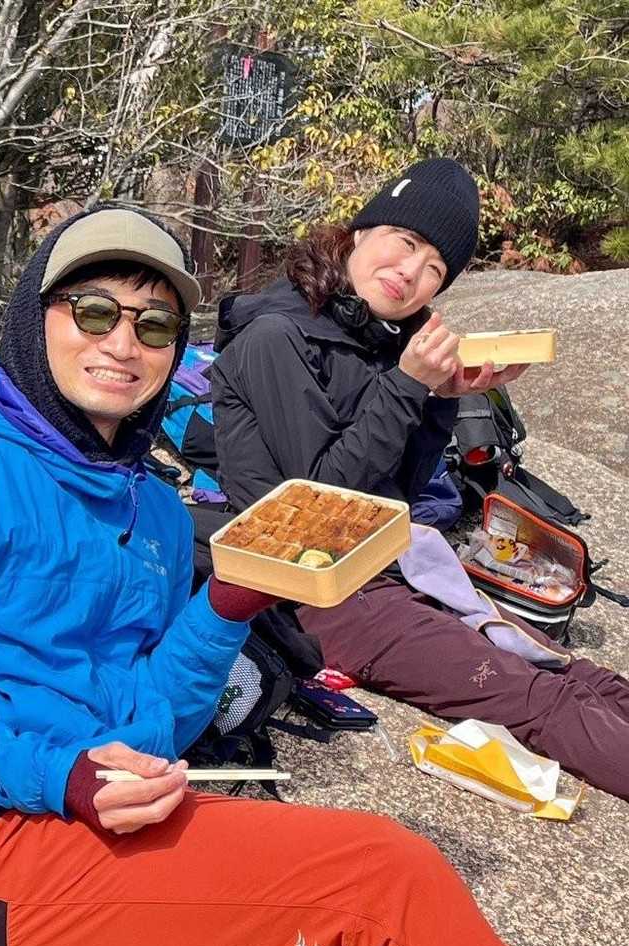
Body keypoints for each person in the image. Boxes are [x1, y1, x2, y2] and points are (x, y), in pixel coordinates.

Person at [0, 203, 627, 946]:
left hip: (123, 829)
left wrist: (227, 604)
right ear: (32, 317)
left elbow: (160, 721)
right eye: (93, 312)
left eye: (155, 325)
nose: (123, 344)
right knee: (385, 878)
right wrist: (61, 776)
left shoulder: (154, 509)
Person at [211, 157, 629, 801]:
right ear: (360, 232)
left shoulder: (375, 337)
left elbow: (394, 498)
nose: (411, 272)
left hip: (385, 570)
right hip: (307, 597)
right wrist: (409, 385)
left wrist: (440, 398)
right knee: (535, 698)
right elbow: (319, 513)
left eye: (435, 267)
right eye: (404, 242)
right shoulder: (276, 335)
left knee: (572, 672)